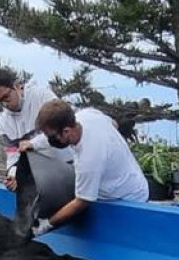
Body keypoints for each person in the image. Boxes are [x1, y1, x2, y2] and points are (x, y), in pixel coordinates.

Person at [28, 99, 148, 236]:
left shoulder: (89, 158)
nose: (50, 141)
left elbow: (82, 201)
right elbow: (113, 124)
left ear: (66, 131)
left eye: (51, 137)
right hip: (128, 178)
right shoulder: (87, 115)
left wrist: (48, 224)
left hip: (128, 199)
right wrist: (33, 144)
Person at [0, 69, 70, 192]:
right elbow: (12, 153)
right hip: (40, 177)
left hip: (66, 164)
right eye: (0, 100)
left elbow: (61, 127)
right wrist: (13, 175)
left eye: (6, 97)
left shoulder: (42, 96)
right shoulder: (4, 123)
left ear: (17, 86)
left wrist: (33, 144)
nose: (5, 103)